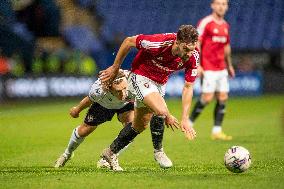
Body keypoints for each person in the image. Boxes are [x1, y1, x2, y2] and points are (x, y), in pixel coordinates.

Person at [99, 25, 199, 171]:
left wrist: (185, 118)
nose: (190, 53)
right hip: (140, 76)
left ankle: (109, 153)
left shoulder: (193, 57)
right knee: (160, 111)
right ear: (177, 42)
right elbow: (128, 41)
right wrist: (115, 67)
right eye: (186, 49)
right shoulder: (158, 43)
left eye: (193, 48)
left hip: (159, 83)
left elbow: (188, 87)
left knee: (139, 126)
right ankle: (159, 152)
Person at [54, 70, 173, 169]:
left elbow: (153, 96)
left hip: (126, 106)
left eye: (124, 89)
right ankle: (67, 154)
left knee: (132, 128)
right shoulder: (98, 89)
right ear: (109, 88)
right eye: (118, 91)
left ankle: (109, 157)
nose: (122, 94)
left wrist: (166, 114)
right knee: (84, 130)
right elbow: (89, 99)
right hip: (104, 105)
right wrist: (77, 110)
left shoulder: (133, 79)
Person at [189, 0, 235, 140]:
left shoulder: (226, 25)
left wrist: (230, 65)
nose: (221, 6)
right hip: (208, 67)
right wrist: (198, 64)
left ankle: (217, 131)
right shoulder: (206, 22)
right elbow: (197, 42)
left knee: (223, 97)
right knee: (207, 98)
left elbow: (226, 47)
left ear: (226, 7)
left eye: (224, 4)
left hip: (221, 67)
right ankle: (189, 123)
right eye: (219, 3)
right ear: (213, 5)